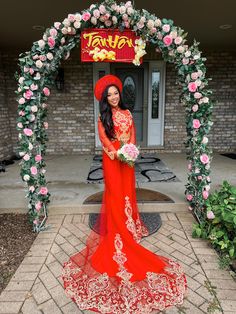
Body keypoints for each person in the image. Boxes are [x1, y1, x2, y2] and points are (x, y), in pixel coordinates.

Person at [62, 74, 187, 313]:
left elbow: (131, 135)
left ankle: (129, 225)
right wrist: (116, 152)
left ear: (120, 93)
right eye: (108, 95)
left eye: (115, 93)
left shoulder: (128, 114)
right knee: (115, 193)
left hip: (127, 159)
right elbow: (104, 139)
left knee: (128, 193)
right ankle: (117, 227)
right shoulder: (103, 117)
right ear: (104, 99)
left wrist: (130, 150)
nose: (113, 97)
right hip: (112, 160)